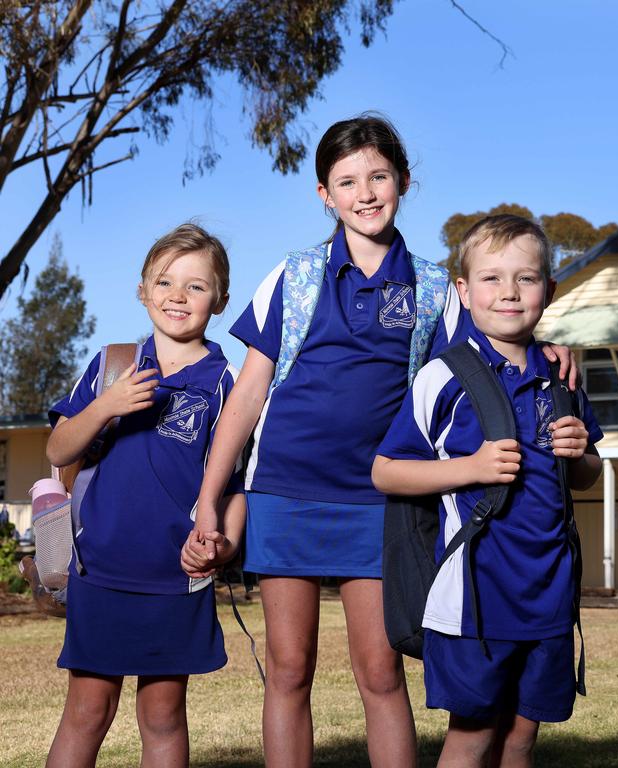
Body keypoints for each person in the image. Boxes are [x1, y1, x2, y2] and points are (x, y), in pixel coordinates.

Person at [185, 114, 576, 768]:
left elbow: (489, 351)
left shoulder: (429, 287)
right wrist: (209, 497)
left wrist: (550, 347)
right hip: (285, 493)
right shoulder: (296, 274)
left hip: (378, 503)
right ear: (324, 195)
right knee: (287, 670)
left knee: (381, 672)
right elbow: (249, 397)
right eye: (347, 181)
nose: (364, 192)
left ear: (403, 181)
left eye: (378, 176)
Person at [372, 214, 603, 768]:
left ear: (548, 290)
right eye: (491, 278)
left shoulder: (560, 377)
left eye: (525, 279)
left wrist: (580, 455)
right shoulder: (443, 376)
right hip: (474, 599)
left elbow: (589, 473)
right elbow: (386, 471)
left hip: (549, 597)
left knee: (521, 739)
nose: (509, 292)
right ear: (463, 290)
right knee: (472, 738)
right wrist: (470, 468)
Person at [45, 224, 245, 768]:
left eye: (196, 286)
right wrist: (107, 404)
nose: (177, 296)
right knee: (87, 712)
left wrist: (221, 547)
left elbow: (234, 487)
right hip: (101, 569)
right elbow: (60, 449)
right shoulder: (114, 363)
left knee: (162, 716)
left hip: (174, 576)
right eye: (164, 282)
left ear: (221, 299)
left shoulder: (228, 383)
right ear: (142, 291)